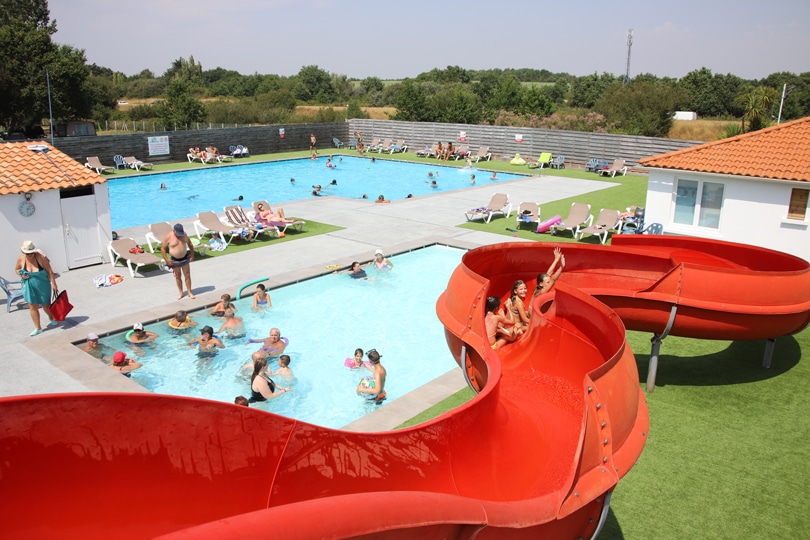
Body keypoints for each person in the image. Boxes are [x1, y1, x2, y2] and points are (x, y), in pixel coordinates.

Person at [15, 240, 58, 336]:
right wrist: (21, 275)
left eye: (31, 253)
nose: (30, 255)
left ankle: (51, 317)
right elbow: (17, 269)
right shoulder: (21, 259)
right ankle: (38, 328)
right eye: (27, 254)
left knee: (45, 305)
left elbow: (50, 271)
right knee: (33, 306)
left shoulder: (40, 257)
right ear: (23, 252)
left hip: (43, 284)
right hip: (29, 284)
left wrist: (54, 284)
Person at [161, 223, 195, 300]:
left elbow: (190, 244)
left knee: (187, 275)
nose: (180, 235)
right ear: (174, 231)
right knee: (178, 276)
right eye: (178, 234)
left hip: (185, 257)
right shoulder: (169, 236)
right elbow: (162, 248)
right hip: (175, 260)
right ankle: (181, 292)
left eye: (181, 233)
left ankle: (189, 292)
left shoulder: (184, 234)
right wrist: (166, 260)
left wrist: (192, 254)